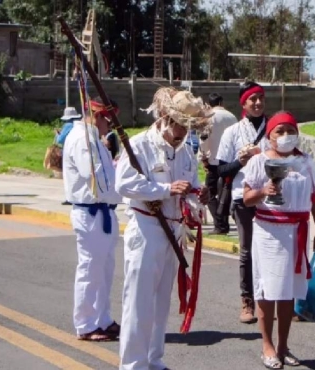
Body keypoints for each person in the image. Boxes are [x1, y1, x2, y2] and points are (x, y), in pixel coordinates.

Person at [116, 87, 211, 370]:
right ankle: (132, 365)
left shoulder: (185, 152)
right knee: (138, 302)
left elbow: (190, 188)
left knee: (160, 303)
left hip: (174, 232)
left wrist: (197, 197)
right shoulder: (139, 145)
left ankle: (154, 360)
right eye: (180, 124)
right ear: (165, 117)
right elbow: (124, 184)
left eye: (188, 127)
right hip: (146, 228)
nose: (183, 132)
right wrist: (165, 189)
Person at [241, 111, 315, 369]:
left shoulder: (306, 162)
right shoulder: (258, 162)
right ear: (270, 136)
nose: (286, 136)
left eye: (290, 130)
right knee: (267, 290)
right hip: (269, 232)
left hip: (297, 232)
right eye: (280, 131)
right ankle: (267, 346)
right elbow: (246, 198)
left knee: (288, 292)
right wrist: (264, 190)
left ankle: (283, 345)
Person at [62, 97, 122, 342]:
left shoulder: (95, 140)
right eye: (109, 120)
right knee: (90, 269)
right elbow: (95, 178)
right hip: (90, 212)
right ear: (98, 117)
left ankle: (102, 319)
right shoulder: (82, 140)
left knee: (105, 270)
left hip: (104, 211)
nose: (111, 126)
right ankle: (86, 324)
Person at [217, 81, 270, 324]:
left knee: (272, 250)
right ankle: (247, 300)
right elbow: (220, 170)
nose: (258, 103)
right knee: (247, 250)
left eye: (261, 97)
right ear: (244, 103)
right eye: (252, 99)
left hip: (273, 199)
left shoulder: (275, 129)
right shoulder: (232, 132)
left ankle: (273, 298)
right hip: (243, 198)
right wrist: (241, 160)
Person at [200, 93, 238, 235]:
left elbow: (204, 138)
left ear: (208, 104)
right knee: (225, 193)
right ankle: (223, 223)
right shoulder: (232, 117)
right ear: (221, 102)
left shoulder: (208, 117)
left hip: (214, 160)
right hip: (230, 162)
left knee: (210, 194)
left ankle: (220, 224)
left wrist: (203, 157)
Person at [57, 107, 83, 205]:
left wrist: (57, 134)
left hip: (68, 151)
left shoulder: (67, 125)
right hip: (77, 151)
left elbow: (60, 140)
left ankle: (70, 197)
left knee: (69, 175)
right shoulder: (78, 125)